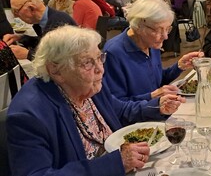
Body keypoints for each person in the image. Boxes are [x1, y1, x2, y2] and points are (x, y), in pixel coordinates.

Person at [6, 25, 186, 175]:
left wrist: (157, 107)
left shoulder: (89, 86)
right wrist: (115, 163)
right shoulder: (29, 115)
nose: (100, 69)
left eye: (100, 58)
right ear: (56, 70)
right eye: (87, 62)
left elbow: (120, 110)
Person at [103, 0, 203, 102]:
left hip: (156, 109)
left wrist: (179, 66)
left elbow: (156, 80)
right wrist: (153, 96)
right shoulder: (113, 53)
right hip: (139, 117)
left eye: (167, 29)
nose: (165, 37)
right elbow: (116, 107)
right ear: (138, 26)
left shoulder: (151, 44)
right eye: (158, 30)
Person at [2, 0, 77, 60]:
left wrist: (27, 54)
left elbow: (59, 60)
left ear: (31, 8)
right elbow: (46, 44)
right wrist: (20, 38)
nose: (16, 16)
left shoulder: (58, 21)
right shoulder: (46, 20)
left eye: (16, 11)